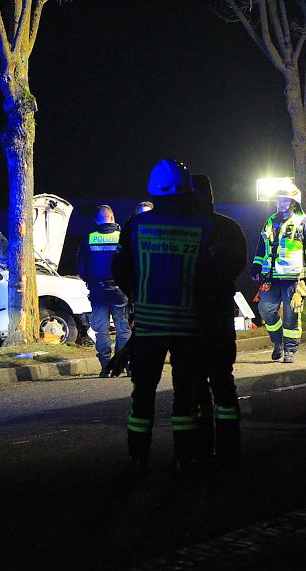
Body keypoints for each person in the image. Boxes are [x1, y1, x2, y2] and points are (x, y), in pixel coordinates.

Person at [112, 158, 211, 476]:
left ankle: (137, 457)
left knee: (143, 394)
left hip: (149, 325)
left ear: (153, 190)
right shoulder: (200, 226)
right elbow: (209, 276)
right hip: (187, 325)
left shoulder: (136, 226)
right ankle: (185, 457)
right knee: (186, 394)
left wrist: (137, 296)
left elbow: (121, 269)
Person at [190, 174, 247, 464]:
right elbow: (238, 264)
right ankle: (229, 447)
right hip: (219, 317)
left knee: (198, 387)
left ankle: (203, 447)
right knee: (222, 384)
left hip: (194, 319)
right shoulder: (229, 227)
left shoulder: (185, 228)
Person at [250, 182, 306, 364]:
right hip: (270, 277)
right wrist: (256, 266)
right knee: (265, 310)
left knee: (291, 315)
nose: (280, 203)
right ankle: (278, 343)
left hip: (294, 278)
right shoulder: (270, 221)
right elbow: (261, 247)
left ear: (293, 202)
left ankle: (290, 349)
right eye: (278, 200)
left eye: (284, 200)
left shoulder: (305, 222)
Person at [76, 205, 132, 377]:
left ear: (97, 220)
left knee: (102, 330)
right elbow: (132, 263)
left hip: (98, 291)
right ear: (113, 218)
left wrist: (90, 281)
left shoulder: (89, 238)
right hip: (120, 291)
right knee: (123, 329)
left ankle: (105, 367)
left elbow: (80, 266)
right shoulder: (123, 237)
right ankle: (125, 365)